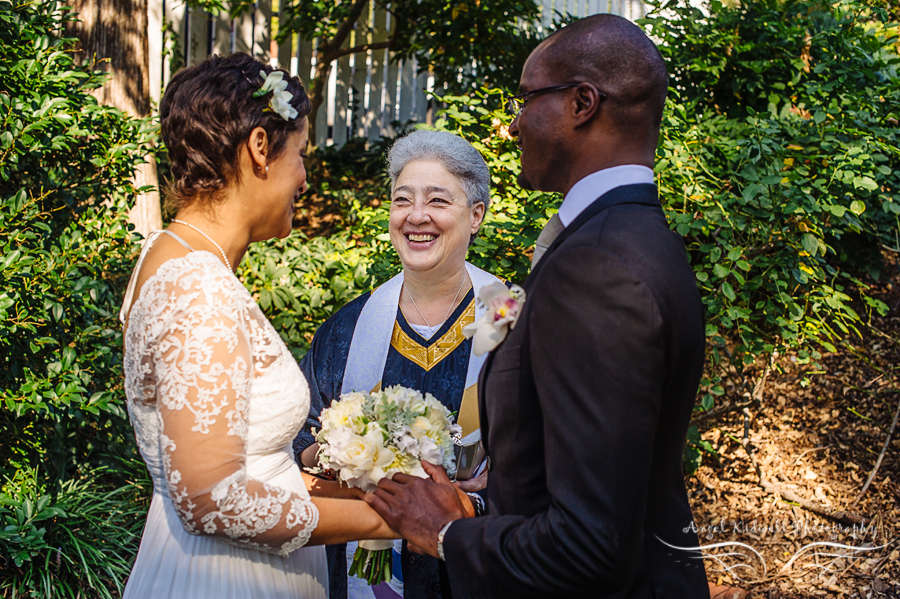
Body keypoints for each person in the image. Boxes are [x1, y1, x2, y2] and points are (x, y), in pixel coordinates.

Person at [365, 14, 710, 598]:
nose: (514, 124)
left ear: (582, 103)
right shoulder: (630, 238)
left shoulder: (589, 269)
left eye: (527, 99)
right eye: (403, 199)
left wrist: (447, 532)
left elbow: (591, 543)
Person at [118, 53, 398, 598]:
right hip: (223, 577)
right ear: (260, 150)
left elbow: (241, 461)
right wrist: (390, 522)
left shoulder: (175, 256)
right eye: (301, 155)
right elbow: (213, 499)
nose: (305, 177)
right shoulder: (195, 286)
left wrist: (366, 492)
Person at [292, 130, 499, 599]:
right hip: (356, 569)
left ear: (476, 216)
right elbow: (296, 445)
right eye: (402, 200)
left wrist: (476, 500)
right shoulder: (349, 329)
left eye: (438, 201)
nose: (417, 216)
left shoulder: (514, 320)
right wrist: (341, 454)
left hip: (473, 569)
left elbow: (547, 465)